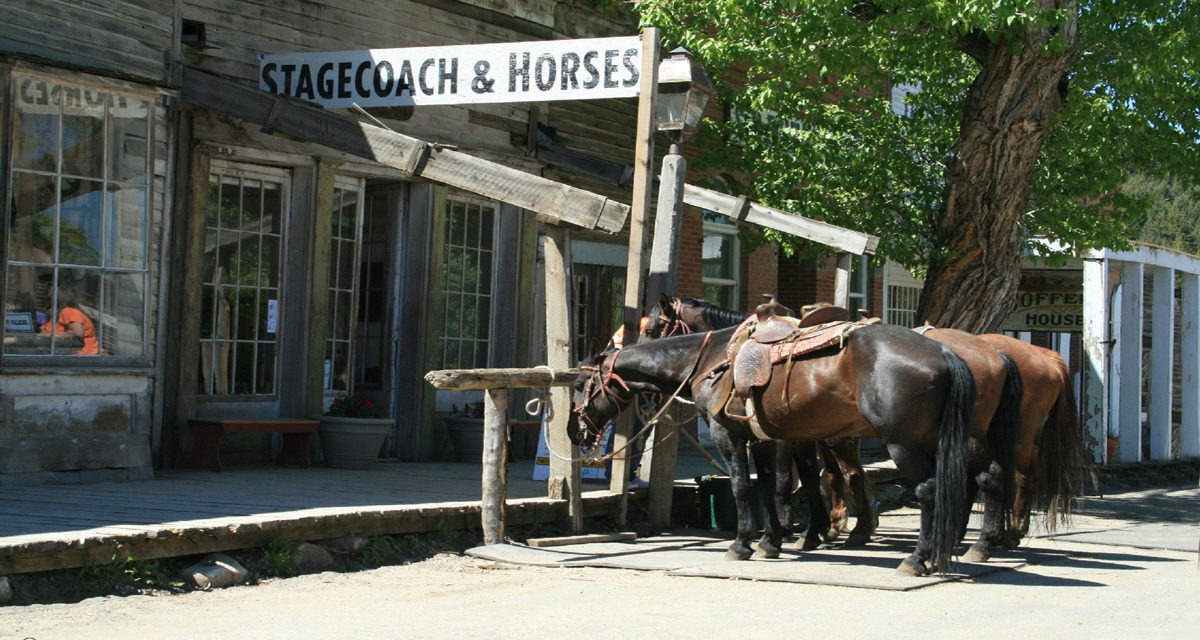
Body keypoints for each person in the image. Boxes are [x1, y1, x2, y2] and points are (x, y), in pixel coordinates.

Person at [39, 283, 103, 355]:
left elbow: (78, 333)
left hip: (84, 355)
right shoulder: (52, 318)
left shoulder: (69, 311)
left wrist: (56, 336)